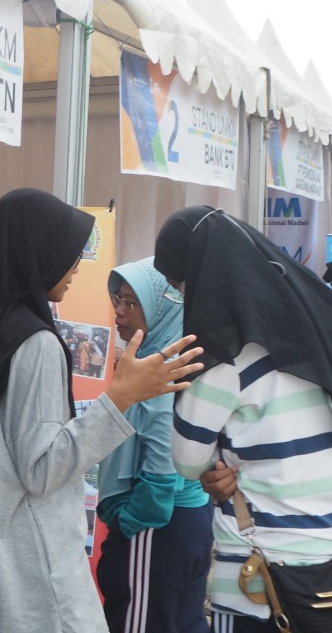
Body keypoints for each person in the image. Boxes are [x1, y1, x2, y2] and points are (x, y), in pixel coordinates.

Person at [0, 188, 203, 633]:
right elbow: (42, 469)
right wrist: (120, 398)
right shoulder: (35, 344)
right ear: (36, 251)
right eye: (67, 249)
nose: (76, 265)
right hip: (30, 570)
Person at [155, 206, 332, 633]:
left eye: (179, 286)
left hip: (257, 580)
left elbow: (188, 461)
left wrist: (224, 460)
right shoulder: (316, 331)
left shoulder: (222, 360)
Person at [95, 257, 212, 633]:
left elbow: (163, 466)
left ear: (161, 307)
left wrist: (131, 523)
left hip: (158, 528)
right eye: (117, 299)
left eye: (132, 302)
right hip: (178, 524)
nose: (119, 311)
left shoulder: (161, 367)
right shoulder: (167, 358)